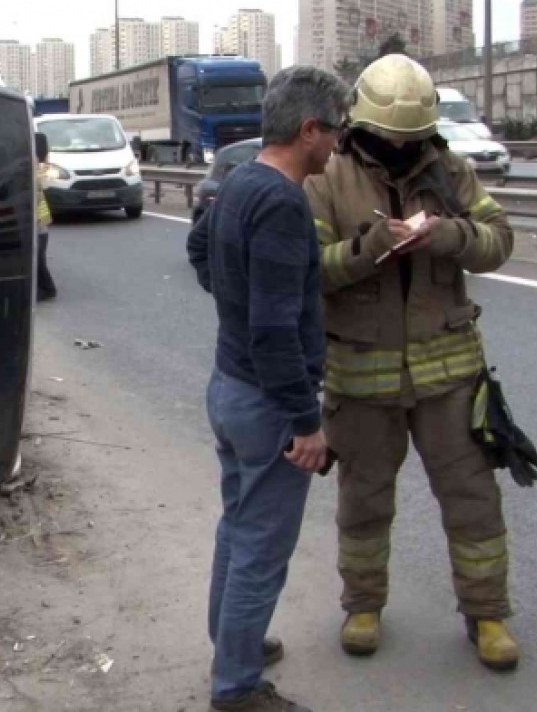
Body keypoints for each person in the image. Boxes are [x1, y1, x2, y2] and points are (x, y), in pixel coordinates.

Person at [303, 54, 518, 670]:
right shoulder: (328, 177)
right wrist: (370, 248)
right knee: (364, 499)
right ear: (361, 125)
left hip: (448, 372)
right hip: (362, 375)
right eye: (390, 138)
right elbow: (312, 269)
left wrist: (451, 236)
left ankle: (488, 614)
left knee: (473, 497)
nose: (401, 147)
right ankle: (363, 605)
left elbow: (498, 239)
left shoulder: (450, 169)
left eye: (411, 138)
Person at [187, 66, 349, 712]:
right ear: (309, 130)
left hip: (228, 388)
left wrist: (234, 300)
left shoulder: (236, 181)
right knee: (259, 547)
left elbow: (200, 251)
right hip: (265, 402)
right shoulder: (282, 202)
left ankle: (234, 644)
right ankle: (237, 687)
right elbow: (276, 330)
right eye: (335, 131)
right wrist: (307, 423)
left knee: (238, 527)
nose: (338, 145)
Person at [36, 154, 57, 301]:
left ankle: (48, 289)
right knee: (37, 259)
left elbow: (46, 182)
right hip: (39, 224)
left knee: (38, 259)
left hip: (39, 226)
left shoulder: (37, 174)